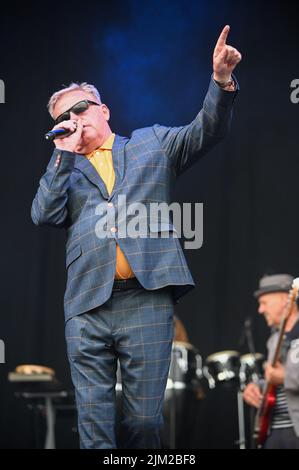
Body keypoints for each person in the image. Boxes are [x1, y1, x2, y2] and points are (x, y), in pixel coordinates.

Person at [31, 25, 241, 449]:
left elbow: (207, 131)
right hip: (87, 306)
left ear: (104, 110)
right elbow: (43, 214)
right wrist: (62, 155)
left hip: (144, 298)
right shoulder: (65, 172)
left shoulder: (151, 144)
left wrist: (221, 82)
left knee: (144, 423)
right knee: (95, 428)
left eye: (81, 109)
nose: (73, 120)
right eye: (62, 118)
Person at [243, 274, 299, 449]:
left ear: (285, 300)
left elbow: (282, 376)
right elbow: (274, 381)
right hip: (273, 432)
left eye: (264, 303)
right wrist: (257, 387)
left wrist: (285, 377)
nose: (260, 310)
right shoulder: (274, 340)